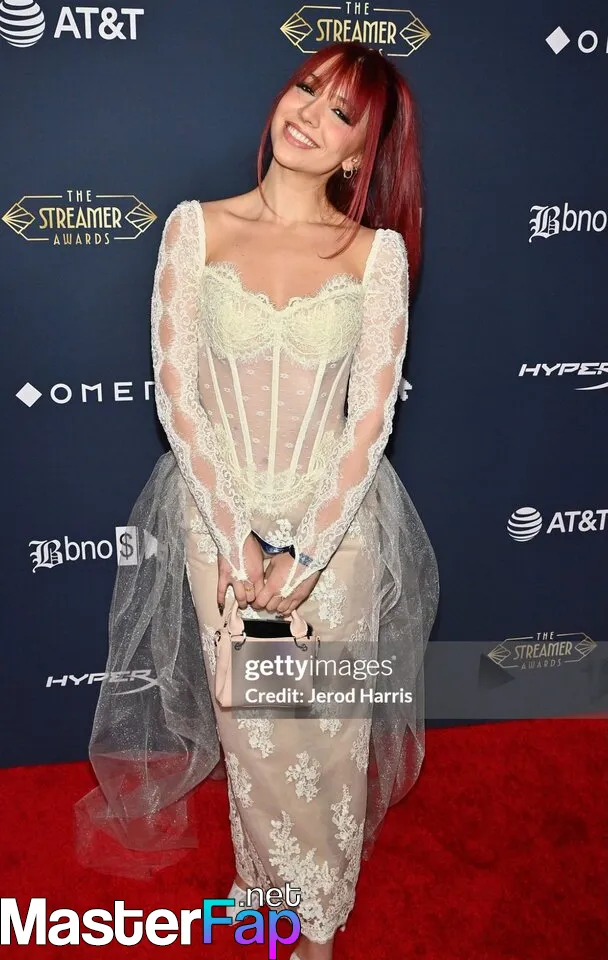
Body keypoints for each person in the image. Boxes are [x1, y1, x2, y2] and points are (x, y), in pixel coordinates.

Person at [75, 40, 439, 960]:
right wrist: (237, 539)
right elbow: (178, 397)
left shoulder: (377, 255)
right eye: (306, 89)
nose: (308, 114)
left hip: (337, 530)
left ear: (359, 154)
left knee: (327, 731)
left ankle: (317, 913)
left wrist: (307, 554)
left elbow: (368, 422)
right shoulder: (194, 229)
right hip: (218, 524)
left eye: (340, 113)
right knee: (258, 736)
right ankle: (273, 894)